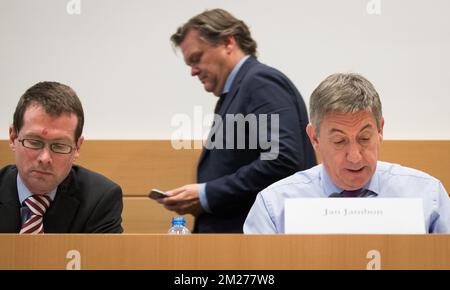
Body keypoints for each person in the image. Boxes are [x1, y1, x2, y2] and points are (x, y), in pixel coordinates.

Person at [157, 9, 316, 233]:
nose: (193, 71)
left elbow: (283, 158)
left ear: (228, 42)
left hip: (251, 245)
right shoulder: (239, 89)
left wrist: (207, 194)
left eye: (196, 58)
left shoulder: (260, 82)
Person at [244, 73, 450, 234]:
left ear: (380, 130)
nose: (355, 156)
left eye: (364, 138)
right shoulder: (275, 205)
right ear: (314, 137)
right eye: (339, 141)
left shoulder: (428, 195)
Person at [0, 81, 123, 233]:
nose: (45, 158)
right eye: (34, 142)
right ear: (13, 138)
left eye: (59, 146)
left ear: (77, 147)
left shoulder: (99, 199)